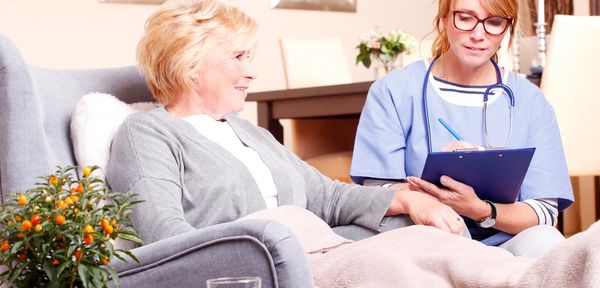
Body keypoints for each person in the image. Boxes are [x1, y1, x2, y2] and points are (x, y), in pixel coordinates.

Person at [107, 0, 466, 260]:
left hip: (316, 248)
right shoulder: (147, 134)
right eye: (238, 57)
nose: (252, 72)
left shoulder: (248, 132)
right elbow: (165, 233)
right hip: (260, 266)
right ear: (190, 65)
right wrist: (272, 274)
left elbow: (328, 198)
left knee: (428, 227)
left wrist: (408, 198)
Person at [350, 0, 574, 256]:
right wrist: (432, 193)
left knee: (547, 243)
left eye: (494, 22)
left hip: (506, 239)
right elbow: (375, 193)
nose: (479, 35)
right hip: (423, 237)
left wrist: (480, 209)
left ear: (506, 28)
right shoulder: (393, 91)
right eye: (466, 18)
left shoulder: (531, 102)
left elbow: (543, 212)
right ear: (444, 19)